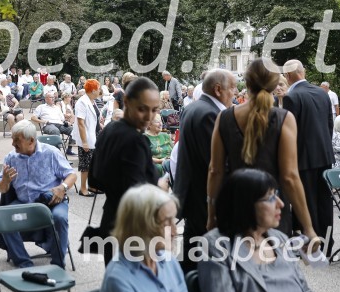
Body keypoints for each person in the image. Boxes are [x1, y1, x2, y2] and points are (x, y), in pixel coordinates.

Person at [199, 169, 335, 292]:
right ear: (245, 205)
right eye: (270, 198)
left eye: (276, 194)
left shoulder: (280, 239)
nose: (281, 204)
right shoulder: (216, 247)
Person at [208, 59, 317, 243]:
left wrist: (211, 215)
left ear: (246, 82)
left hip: (235, 207)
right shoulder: (283, 118)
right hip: (272, 210)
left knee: (237, 266)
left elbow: (215, 171)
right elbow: (289, 176)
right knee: (273, 265)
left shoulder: (224, 118)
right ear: (275, 84)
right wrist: (308, 228)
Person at [89, 77, 163, 265]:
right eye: (142, 109)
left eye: (154, 110)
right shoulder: (135, 140)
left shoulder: (110, 129)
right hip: (132, 231)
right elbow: (137, 194)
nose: (149, 117)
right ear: (127, 103)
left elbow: (95, 179)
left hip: (110, 221)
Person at [99, 184, 197, 292]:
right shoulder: (119, 281)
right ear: (142, 227)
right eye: (167, 223)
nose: (175, 231)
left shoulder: (169, 261)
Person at [174, 69, 236, 273]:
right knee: (206, 256)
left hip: (193, 195)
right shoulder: (209, 113)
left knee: (193, 252)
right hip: (204, 196)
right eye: (233, 87)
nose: (235, 92)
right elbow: (215, 162)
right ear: (218, 89)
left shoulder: (195, 107)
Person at [0, 120, 76, 268]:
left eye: (17, 140)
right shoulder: (11, 158)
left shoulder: (51, 153)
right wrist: (6, 181)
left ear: (31, 140)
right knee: (4, 218)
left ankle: (58, 265)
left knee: (59, 218)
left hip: (51, 202)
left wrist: (62, 187)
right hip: (24, 203)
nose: (13, 143)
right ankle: (24, 263)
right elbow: (1, 189)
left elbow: (71, 175)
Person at [282, 59, 334, 248]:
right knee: (324, 201)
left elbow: (289, 132)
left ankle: (313, 243)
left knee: (308, 201)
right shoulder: (322, 93)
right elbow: (330, 125)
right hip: (324, 154)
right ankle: (327, 242)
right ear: (302, 72)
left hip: (303, 157)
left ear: (288, 76)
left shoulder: (291, 96)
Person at [73, 78, 101, 196]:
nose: (99, 91)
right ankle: (83, 188)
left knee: (94, 163)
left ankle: (92, 186)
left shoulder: (92, 100)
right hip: (86, 138)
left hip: (94, 135)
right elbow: (81, 122)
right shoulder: (82, 102)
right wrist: (84, 142)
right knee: (85, 164)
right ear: (93, 90)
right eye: (98, 89)